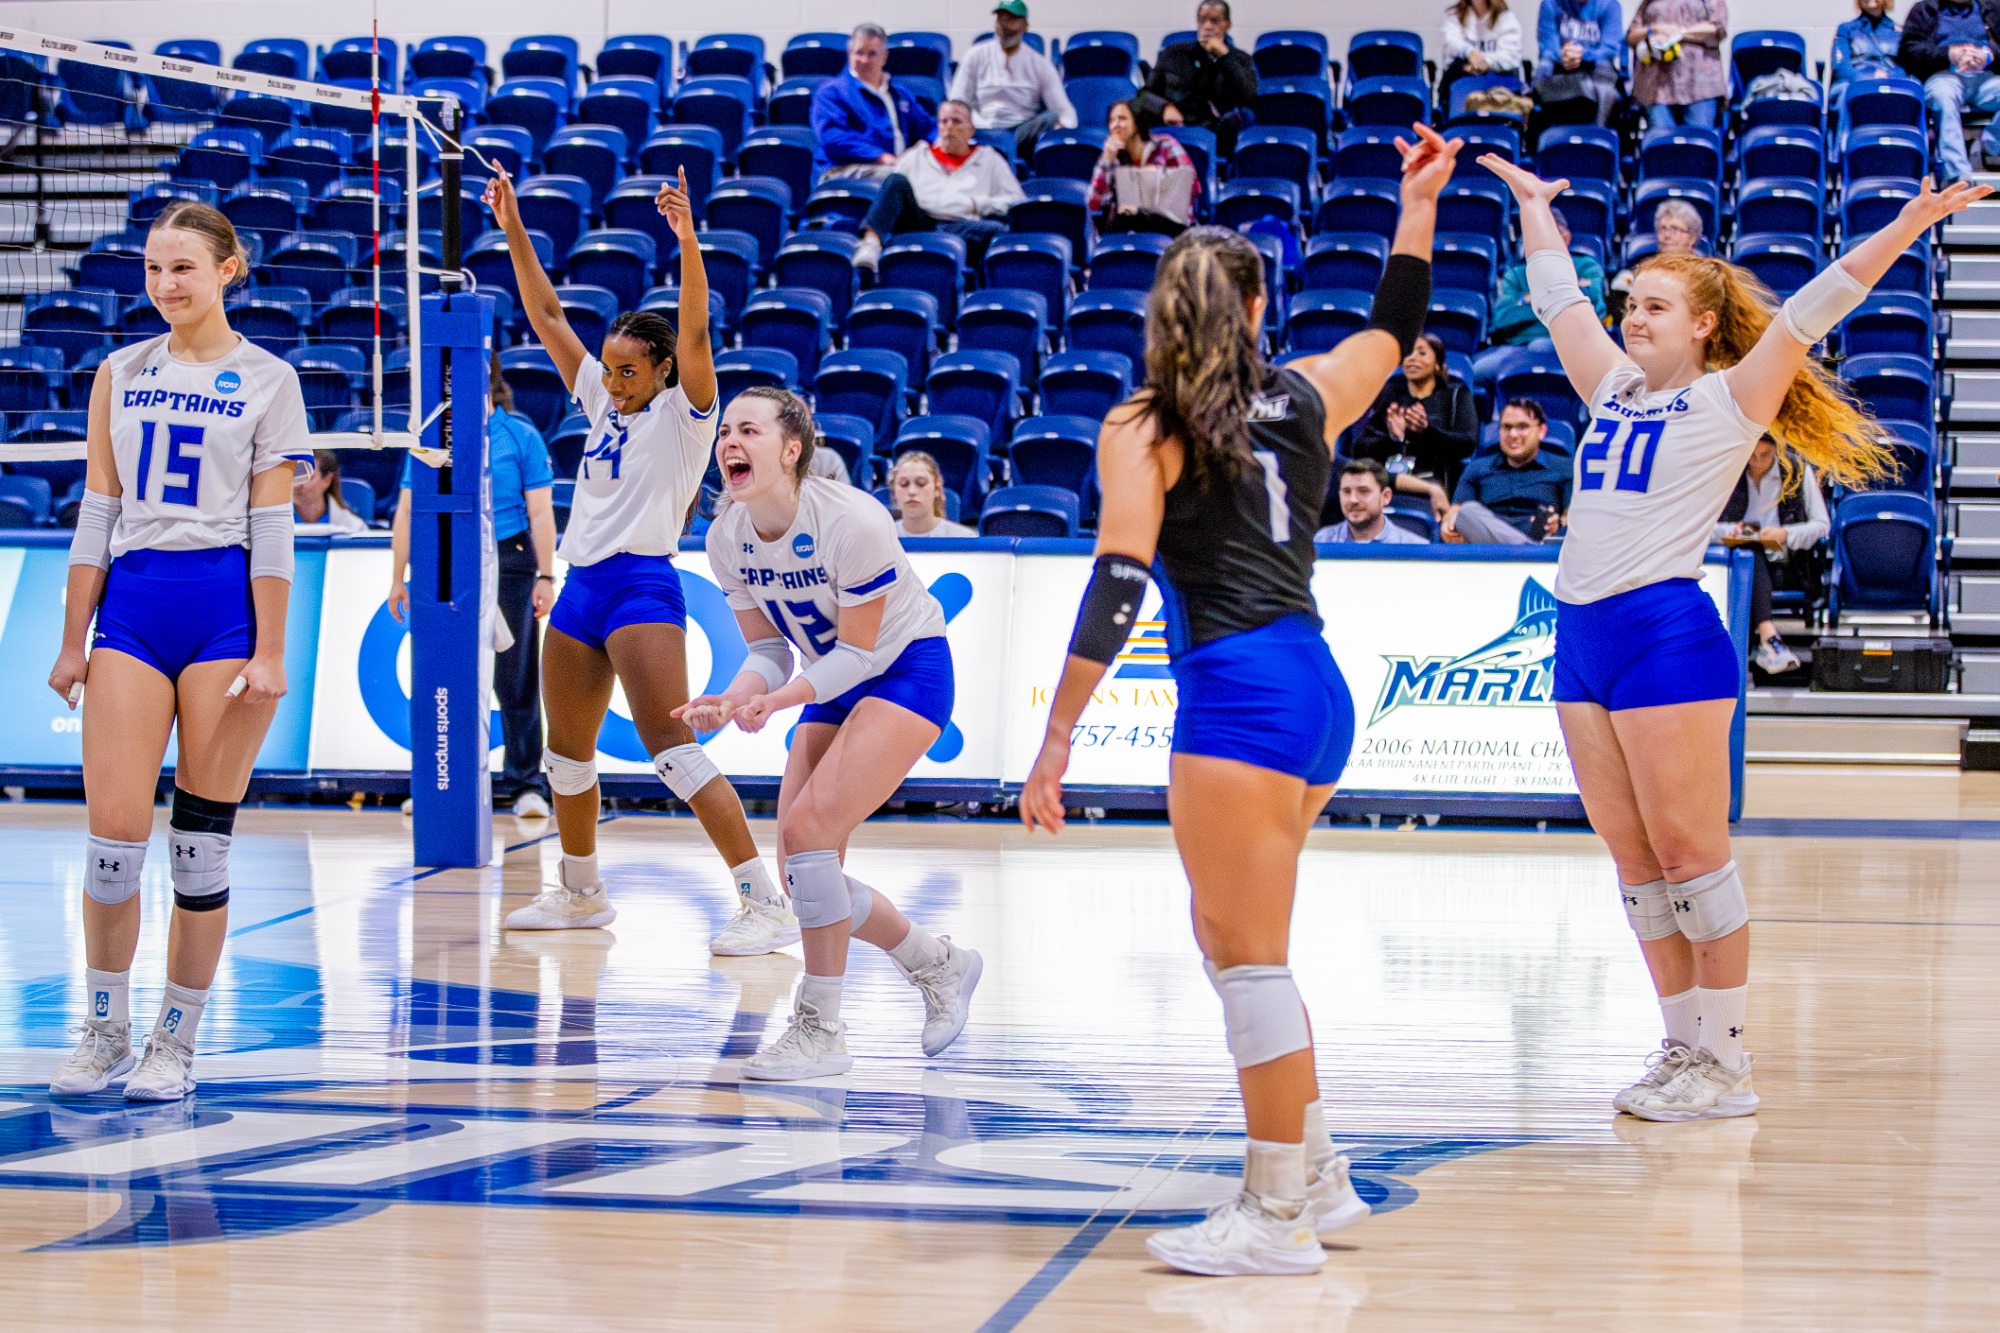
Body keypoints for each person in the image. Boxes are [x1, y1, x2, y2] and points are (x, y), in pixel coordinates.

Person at [1021, 123, 1461, 1277]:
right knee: (1225, 938)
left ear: (1168, 313)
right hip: (1314, 688)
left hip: (1237, 692)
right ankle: (1315, 1167)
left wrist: (1056, 737)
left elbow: (1119, 582)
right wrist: (1415, 205)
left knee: (1250, 958)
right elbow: (1394, 327)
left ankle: (1273, 1217)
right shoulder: (1312, 393)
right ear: (1258, 312)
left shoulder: (1142, 424)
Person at [1476, 150, 1983, 1124]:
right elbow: (1557, 306)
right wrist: (1535, 209)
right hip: (1578, 635)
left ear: (1702, 323)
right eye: (1630, 301)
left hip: (1664, 634)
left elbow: (1811, 308)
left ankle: (1727, 1059)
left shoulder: (1730, 396)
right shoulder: (1613, 389)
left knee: (1687, 853)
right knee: (1632, 865)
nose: (1631, 315)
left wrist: (1907, 224)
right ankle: (1679, 1046)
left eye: (1654, 306)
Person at [480, 164, 797, 956]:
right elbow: (548, 313)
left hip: (641, 586)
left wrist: (689, 243)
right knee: (565, 756)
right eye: (611, 370)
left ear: (659, 370)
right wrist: (513, 224)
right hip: (582, 589)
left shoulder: (690, 417)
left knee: (674, 753)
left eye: (630, 371)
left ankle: (765, 900)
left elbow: (694, 333)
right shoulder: (598, 398)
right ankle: (582, 892)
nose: (614, 383)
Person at [45, 201, 310, 1103]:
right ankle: (104, 1029)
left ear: (229, 269)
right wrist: (72, 640)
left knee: (199, 849)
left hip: (223, 611)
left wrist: (271, 651)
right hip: (135, 603)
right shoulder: (118, 370)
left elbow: (273, 527)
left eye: (184, 268)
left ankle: (175, 1042)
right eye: (154, 268)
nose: (165, 285)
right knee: (113, 842)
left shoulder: (270, 378)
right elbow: (96, 513)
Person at [678, 388, 982, 1081]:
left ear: (792, 449)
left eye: (747, 429)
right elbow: (768, 652)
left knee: (811, 832)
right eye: (725, 430)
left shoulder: (854, 520)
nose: (729, 441)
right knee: (803, 867)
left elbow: (863, 653)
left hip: (906, 668)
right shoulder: (726, 535)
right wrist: (735, 697)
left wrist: (781, 700)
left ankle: (821, 1029)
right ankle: (937, 963)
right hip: (829, 676)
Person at [389, 357, 559, 820]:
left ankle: (527, 786)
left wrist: (546, 575)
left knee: (514, 676)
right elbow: (407, 511)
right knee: (445, 674)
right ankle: (440, 783)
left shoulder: (519, 435)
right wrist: (397, 577)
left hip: (510, 558)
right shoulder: (428, 441)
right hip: (447, 558)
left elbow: (541, 513)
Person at [850, 99, 1025, 272]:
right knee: (895, 181)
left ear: (971, 130)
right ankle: (870, 245)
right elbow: (891, 195)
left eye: (956, 121)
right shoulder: (916, 155)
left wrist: (976, 204)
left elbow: (1016, 202)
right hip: (919, 220)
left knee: (997, 230)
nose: (949, 126)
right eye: (944, 121)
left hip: (961, 225)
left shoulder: (990, 159)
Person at [1714, 434, 1829, 675]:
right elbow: (1703, 525)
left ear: (1777, 451)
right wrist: (1730, 530)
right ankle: (1769, 638)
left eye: (1765, 455)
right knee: (1749, 550)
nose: (1757, 462)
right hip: (1736, 564)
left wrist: (1784, 534)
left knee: (1751, 553)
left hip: (1787, 566)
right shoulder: (1730, 470)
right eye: (1752, 456)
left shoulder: (1797, 471)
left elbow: (1821, 526)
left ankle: (1762, 643)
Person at [1349, 332, 1480, 491]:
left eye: (1422, 353)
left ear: (1437, 364)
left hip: (1435, 484)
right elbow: (1360, 449)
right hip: (1389, 484)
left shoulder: (1455, 394)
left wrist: (1427, 431)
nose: (1412, 358)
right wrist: (1393, 439)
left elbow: (1467, 445)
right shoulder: (1391, 394)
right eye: (1408, 353)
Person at [811, 24, 938, 182]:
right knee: (901, 181)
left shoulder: (899, 94)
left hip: (895, 168)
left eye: (872, 54)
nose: (864, 60)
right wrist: (881, 157)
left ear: (884, 56)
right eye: (859, 53)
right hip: (844, 171)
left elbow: (926, 128)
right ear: (849, 54)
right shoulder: (832, 92)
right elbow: (832, 137)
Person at [949, 1, 1076, 155]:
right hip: (981, 131)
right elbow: (957, 101)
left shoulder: (1039, 64)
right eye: (1001, 19)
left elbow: (1065, 112)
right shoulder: (975, 56)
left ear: (1024, 25)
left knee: (1051, 116)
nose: (1005, 26)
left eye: (1011, 20)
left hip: (1020, 134)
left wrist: (1062, 131)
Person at [1898, 0, 2000, 185]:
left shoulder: (1992, 8)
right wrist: (1948, 54)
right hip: (1944, 76)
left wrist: (1990, 54)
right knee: (1943, 97)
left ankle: (1990, 145)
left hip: (1985, 78)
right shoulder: (1924, 10)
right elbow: (1908, 52)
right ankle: (1958, 177)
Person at [1444, 399, 1573, 543]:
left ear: (1541, 431)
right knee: (1466, 511)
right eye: (1507, 427)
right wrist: (1449, 525)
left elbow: (1570, 520)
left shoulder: (1564, 468)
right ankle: (1526, 552)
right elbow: (1455, 514)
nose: (1513, 434)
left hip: (1540, 540)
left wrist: (1557, 525)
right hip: (1490, 547)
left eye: (1522, 427)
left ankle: (1524, 550)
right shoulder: (1477, 468)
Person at [1140, 2, 1260, 153]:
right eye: (1202, 20)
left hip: (1217, 132)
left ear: (1227, 24)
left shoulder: (1240, 59)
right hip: (1174, 126)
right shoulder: (1173, 54)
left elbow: (1249, 96)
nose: (1208, 26)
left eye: (1214, 21)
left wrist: (1224, 57)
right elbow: (1144, 95)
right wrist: (1164, 107)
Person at [1492, 206, 1608, 343]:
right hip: (1522, 347)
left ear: (1565, 237)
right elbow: (1503, 318)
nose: (1538, 240)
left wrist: (1528, 299)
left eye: (1547, 233)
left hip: (1576, 344)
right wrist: (1569, 292)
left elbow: (1596, 309)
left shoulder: (1587, 266)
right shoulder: (1515, 273)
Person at [1087, 100, 1201, 237]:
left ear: (1137, 122)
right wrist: (1107, 162)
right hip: (1125, 230)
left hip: (1170, 230)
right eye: (1111, 121)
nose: (1115, 125)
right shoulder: (1110, 155)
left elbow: (1190, 187)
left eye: (1122, 119)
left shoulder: (1166, 146)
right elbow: (1093, 204)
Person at [1627, 0, 1730, 128]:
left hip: (1699, 85)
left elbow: (1718, 28)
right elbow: (1632, 35)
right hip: (1656, 88)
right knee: (1661, 142)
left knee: (1698, 141)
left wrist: (1679, 33)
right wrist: (1654, 30)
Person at [1609, 198, 1703, 322]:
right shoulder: (1643, 269)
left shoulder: (1703, 274)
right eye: (1662, 228)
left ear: (1692, 237)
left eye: (1674, 229)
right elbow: (1616, 305)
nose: (1667, 235)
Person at [1535, 0, 1626, 127]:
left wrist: (1581, 54)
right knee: (1544, 68)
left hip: (1595, 72)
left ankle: (1599, 135)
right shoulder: (1550, 4)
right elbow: (1548, 48)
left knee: (1604, 70)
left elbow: (1610, 48)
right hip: (1559, 71)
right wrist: (1563, 56)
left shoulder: (1610, 5)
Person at [1314, 459, 1431, 544]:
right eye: (1346, 492)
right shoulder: (1320, 541)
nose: (1353, 500)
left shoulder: (1414, 547)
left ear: (1385, 496)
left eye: (1363, 491)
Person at [1440, 0, 1527, 109]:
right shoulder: (1454, 15)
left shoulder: (1506, 19)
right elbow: (1451, 44)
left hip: (1497, 82)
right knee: (1455, 76)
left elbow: (1512, 57)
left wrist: (1486, 62)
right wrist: (1469, 52)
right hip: (1463, 76)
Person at [889, 451, 976, 538]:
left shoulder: (964, 537)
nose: (912, 491)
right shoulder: (884, 537)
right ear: (894, 493)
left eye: (921, 483)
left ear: (936, 489)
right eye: (904, 484)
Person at [291, 449, 371, 533]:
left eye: (308, 477)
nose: (297, 484)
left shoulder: (355, 527)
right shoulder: (277, 518)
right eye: (294, 476)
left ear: (327, 480)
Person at [1833, 0, 1904, 86]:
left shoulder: (1898, 32)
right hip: (1856, 85)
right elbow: (1841, 67)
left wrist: (1889, 77)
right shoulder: (1846, 30)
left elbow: (1906, 67)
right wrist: (1868, 77)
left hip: (1892, 85)